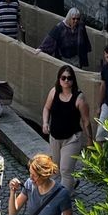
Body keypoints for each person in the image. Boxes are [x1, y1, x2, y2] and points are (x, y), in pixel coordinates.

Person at [41, 64, 92, 192]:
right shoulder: (54, 92)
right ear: (59, 79)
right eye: (63, 78)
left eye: (69, 78)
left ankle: (64, 203)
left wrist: (90, 140)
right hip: (55, 137)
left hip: (72, 138)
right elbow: (46, 108)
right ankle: (72, 183)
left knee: (66, 170)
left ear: (73, 80)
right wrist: (45, 123)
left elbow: (86, 120)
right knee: (56, 168)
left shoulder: (79, 98)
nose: (66, 81)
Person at [7, 154, 74, 215]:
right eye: (30, 173)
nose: (31, 178)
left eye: (34, 175)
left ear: (44, 175)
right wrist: (13, 191)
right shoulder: (29, 184)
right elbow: (12, 213)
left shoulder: (62, 194)